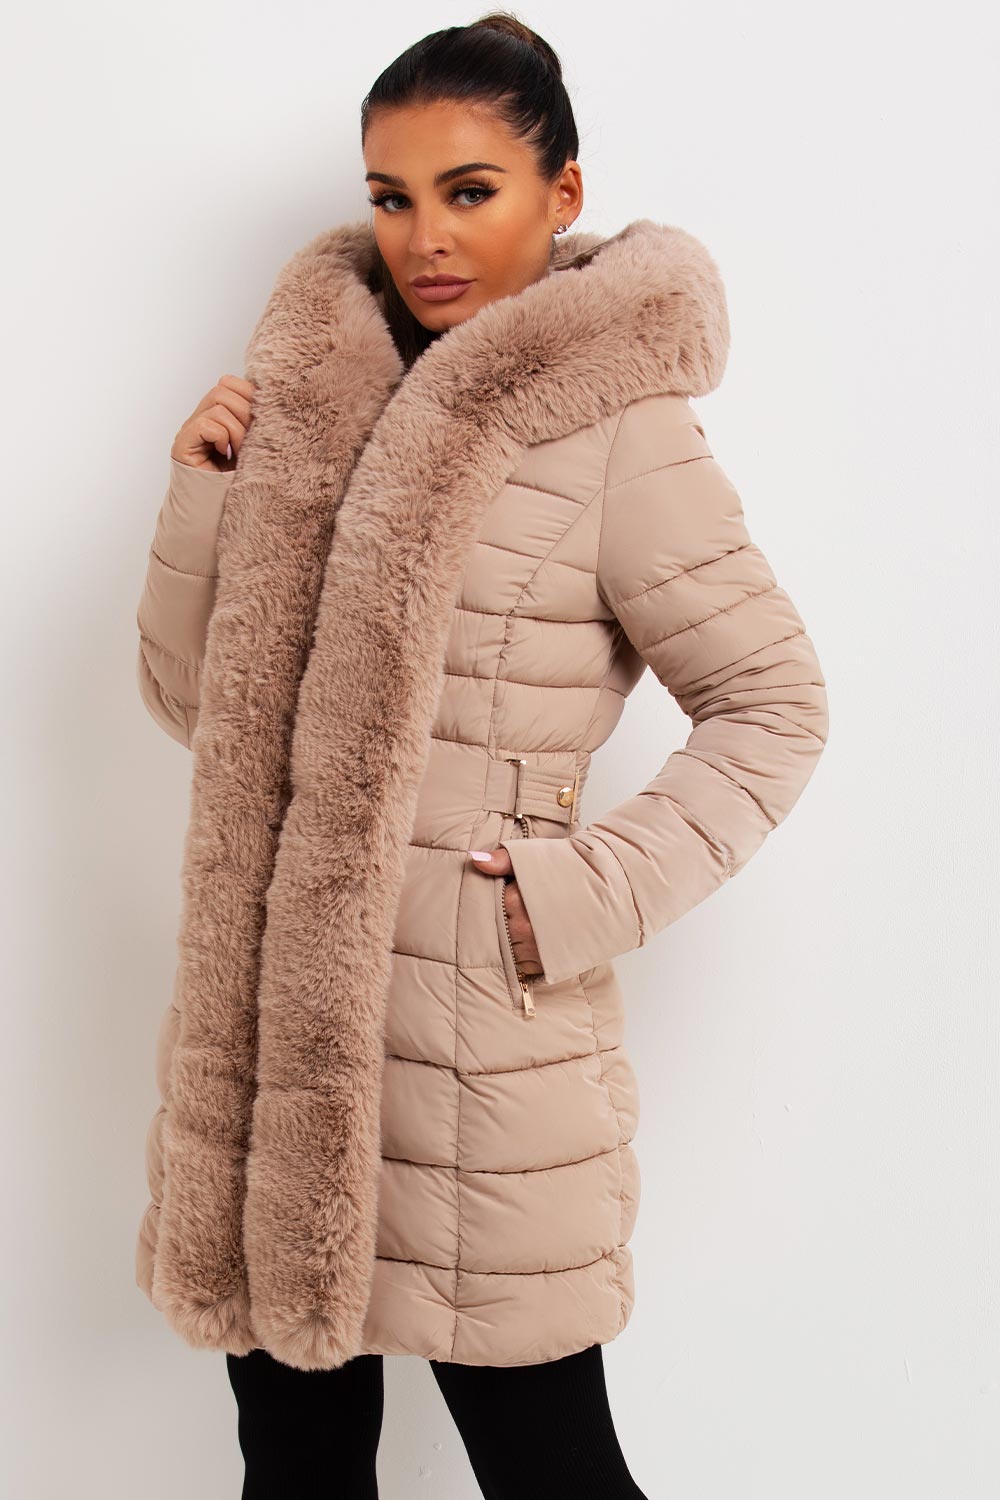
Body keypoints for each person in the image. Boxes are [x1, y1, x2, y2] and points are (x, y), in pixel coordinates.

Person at [133, 13, 829, 1497]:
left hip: (479, 1054)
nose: (426, 237)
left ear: (561, 195)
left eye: (469, 191)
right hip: (278, 1055)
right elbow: (202, 710)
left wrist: (566, 895)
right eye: (392, 197)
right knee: (295, 1469)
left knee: (550, 1469)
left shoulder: (619, 430)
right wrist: (205, 499)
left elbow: (774, 706)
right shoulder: (312, 407)